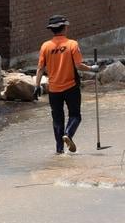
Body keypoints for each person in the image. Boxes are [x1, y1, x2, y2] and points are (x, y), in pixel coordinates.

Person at [33, 15, 95, 154]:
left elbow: (40, 68)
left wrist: (36, 86)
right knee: (75, 115)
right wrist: (92, 69)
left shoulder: (45, 46)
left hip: (54, 89)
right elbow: (78, 65)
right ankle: (68, 134)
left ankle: (59, 150)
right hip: (71, 87)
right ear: (65, 28)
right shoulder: (72, 44)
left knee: (57, 119)